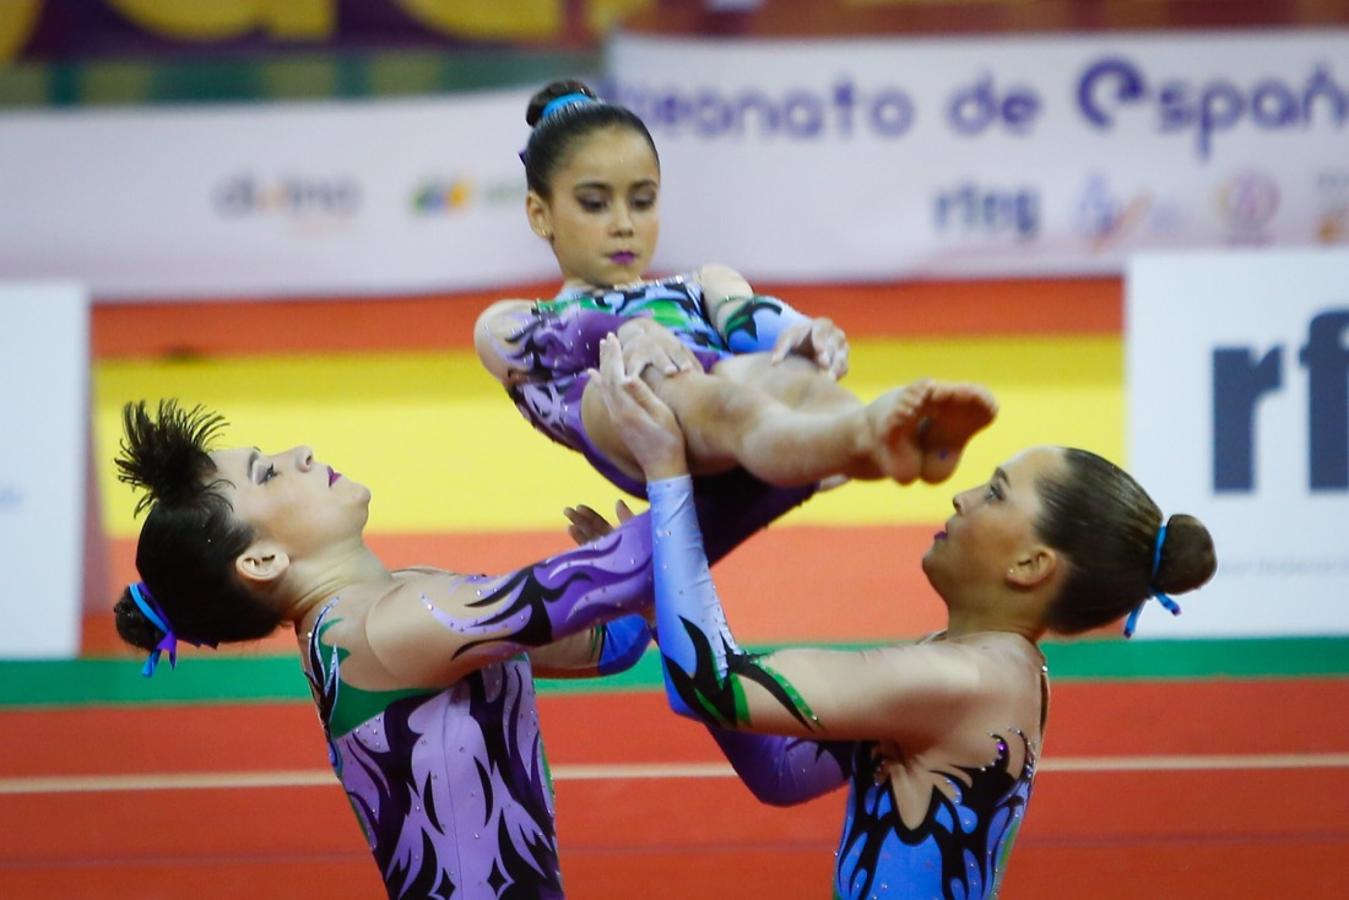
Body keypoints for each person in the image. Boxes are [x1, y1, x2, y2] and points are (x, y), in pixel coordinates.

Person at [581, 334, 1217, 899]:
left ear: (1030, 565)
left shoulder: (957, 682)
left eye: (994, 493)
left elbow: (712, 686)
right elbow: (779, 771)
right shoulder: (981, 667)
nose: (963, 497)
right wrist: (664, 615)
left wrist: (668, 473)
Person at [110, 398, 817, 899]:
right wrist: (787, 457)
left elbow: (607, 644)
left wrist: (635, 590)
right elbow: (620, 574)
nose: (298, 454)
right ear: (260, 562)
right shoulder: (384, 631)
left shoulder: (402, 605)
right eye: (266, 474)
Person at [474, 79, 998, 495]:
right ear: (540, 214)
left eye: (642, 199)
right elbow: (544, 336)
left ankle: (884, 438)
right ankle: (864, 438)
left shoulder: (702, 282)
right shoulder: (514, 317)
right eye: (594, 203)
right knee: (690, 386)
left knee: (785, 378)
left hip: (725, 397)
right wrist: (631, 331)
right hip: (625, 410)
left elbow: (747, 316)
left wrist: (804, 333)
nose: (623, 224)